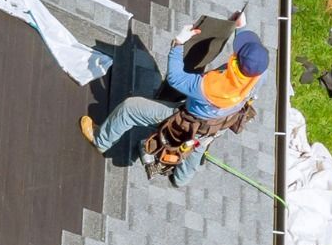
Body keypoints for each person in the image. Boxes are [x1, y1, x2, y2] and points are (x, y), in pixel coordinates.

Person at [81, 22, 270, 186]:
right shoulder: (260, 76)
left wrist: (179, 43)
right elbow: (252, 57)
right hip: (215, 127)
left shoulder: (209, 87)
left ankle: (101, 140)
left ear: (235, 62)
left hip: (186, 122)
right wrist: (241, 27)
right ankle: (180, 178)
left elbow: (175, 78)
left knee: (130, 108)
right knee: (198, 144)